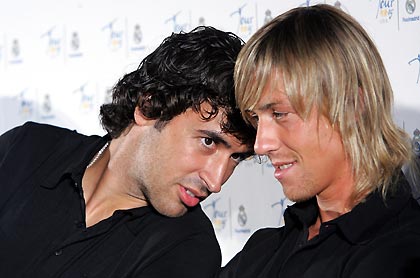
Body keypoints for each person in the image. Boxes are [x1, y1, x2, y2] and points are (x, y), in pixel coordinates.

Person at [0, 26, 255, 278]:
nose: (217, 180)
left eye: (236, 157)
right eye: (209, 142)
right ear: (150, 107)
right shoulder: (27, 148)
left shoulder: (188, 249)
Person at [218, 4, 420, 278]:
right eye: (256, 118)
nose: (260, 145)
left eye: (280, 114)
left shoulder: (400, 255)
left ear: (351, 105)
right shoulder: (263, 250)